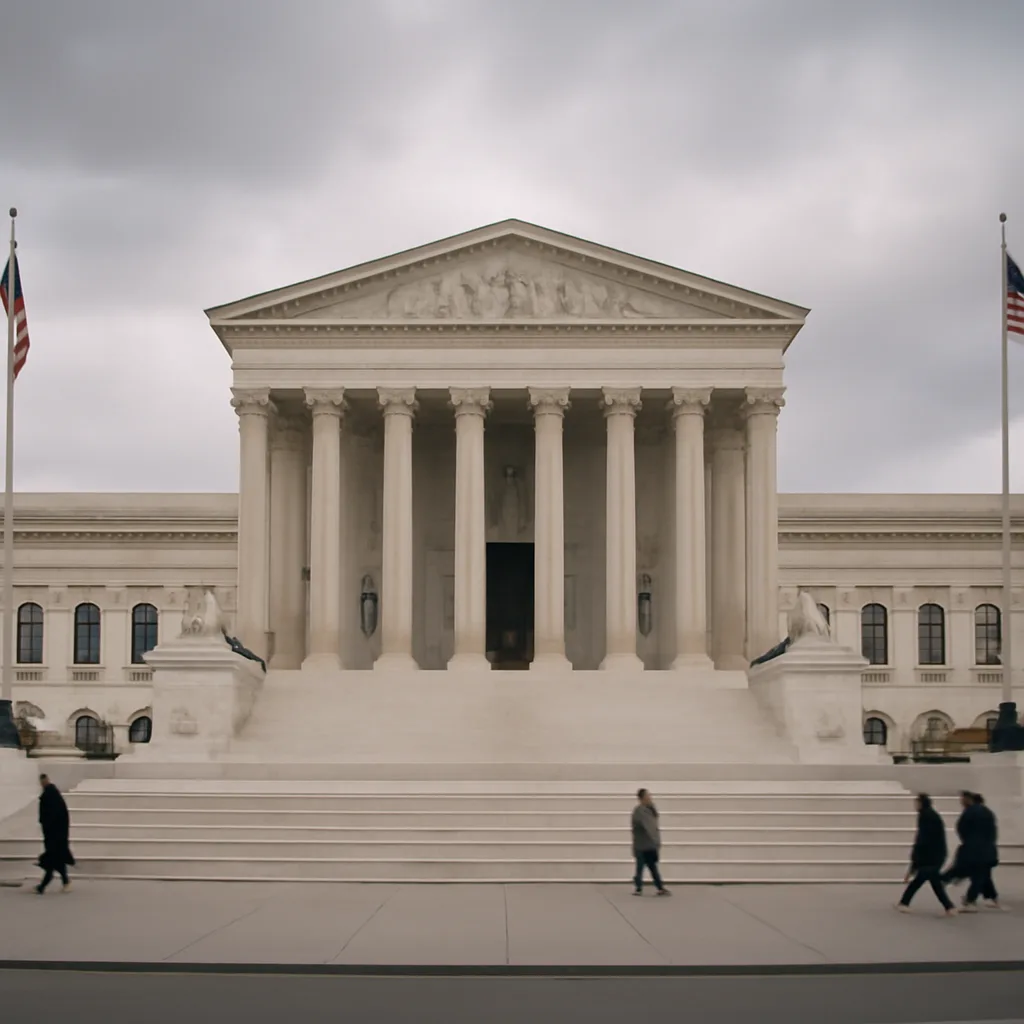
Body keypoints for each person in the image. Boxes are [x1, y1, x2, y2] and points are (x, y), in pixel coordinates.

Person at [895, 794, 956, 915]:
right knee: (934, 881)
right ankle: (949, 907)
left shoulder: (925, 816)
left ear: (921, 803)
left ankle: (904, 902)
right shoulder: (930, 815)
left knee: (921, 881)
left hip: (931, 855)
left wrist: (915, 860)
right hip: (935, 854)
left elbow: (922, 839)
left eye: (916, 803)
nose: (915, 806)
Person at [961, 793, 1003, 912]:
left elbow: (962, 829)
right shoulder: (987, 813)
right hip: (987, 849)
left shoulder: (971, 812)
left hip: (977, 850)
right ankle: (993, 898)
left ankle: (970, 900)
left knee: (978, 876)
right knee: (984, 875)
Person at [34, 774, 74, 894]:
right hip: (56, 835)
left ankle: (43, 885)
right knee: (57, 859)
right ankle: (64, 881)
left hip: (54, 835)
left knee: (53, 859)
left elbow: (50, 817)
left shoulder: (49, 796)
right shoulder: (53, 795)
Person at [631, 788, 670, 896]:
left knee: (652, 867)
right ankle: (639, 887)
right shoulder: (639, 811)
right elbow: (648, 827)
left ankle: (659, 887)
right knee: (641, 867)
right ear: (642, 798)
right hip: (642, 844)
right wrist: (656, 841)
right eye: (648, 796)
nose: (650, 798)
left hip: (649, 844)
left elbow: (654, 823)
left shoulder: (650, 809)